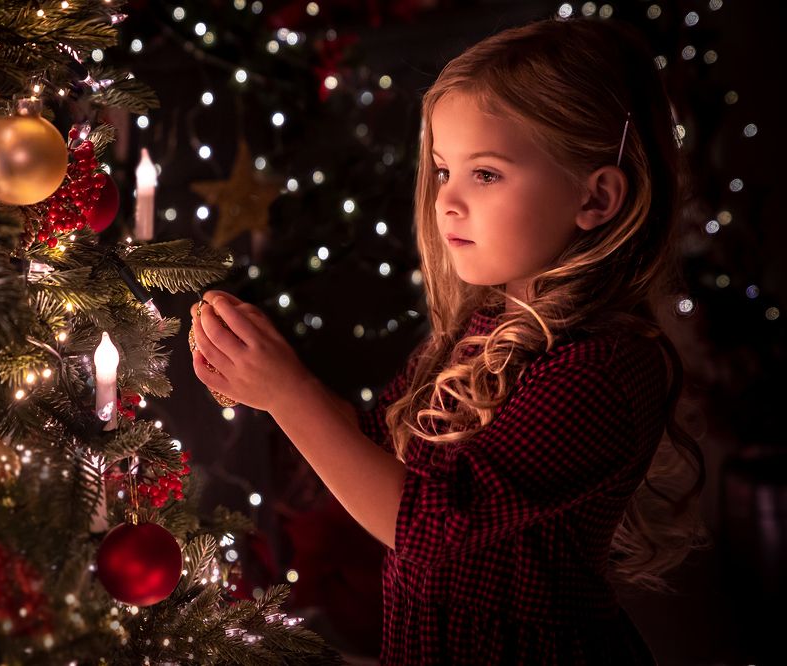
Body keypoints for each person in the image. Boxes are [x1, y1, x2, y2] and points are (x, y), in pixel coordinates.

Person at [188, 15, 707, 665]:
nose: (447, 202)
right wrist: (261, 378)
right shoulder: (480, 329)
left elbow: (428, 528)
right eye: (441, 171)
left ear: (596, 197)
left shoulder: (603, 367)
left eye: (485, 174)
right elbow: (378, 447)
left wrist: (291, 395)